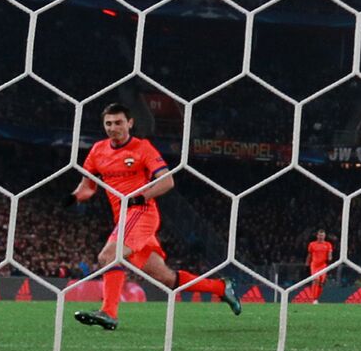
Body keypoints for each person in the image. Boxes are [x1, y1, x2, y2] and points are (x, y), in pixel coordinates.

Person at [65, 103, 240, 330]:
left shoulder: (142, 148)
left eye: (118, 122)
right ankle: (220, 288)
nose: (112, 127)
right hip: (124, 220)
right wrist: (72, 198)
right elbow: (87, 187)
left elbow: (167, 181)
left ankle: (108, 312)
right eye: (108, 123)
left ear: (130, 123)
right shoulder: (98, 150)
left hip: (142, 213)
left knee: (108, 256)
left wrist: (140, 197)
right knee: (166, 278)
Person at [298, 228, 333, 303]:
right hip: (314, 265)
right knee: (316, 280)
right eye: (320, 235)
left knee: (321, 283)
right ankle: (314, 299)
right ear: (317, 236)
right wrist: (307, 263)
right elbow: (309, 255)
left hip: (323, 265)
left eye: (322, 235)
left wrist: (330, 257)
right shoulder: (312, 244)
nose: (321, 237)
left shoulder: (328, 244)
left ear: (325, 236)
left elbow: (330, 254)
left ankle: (316, 298)